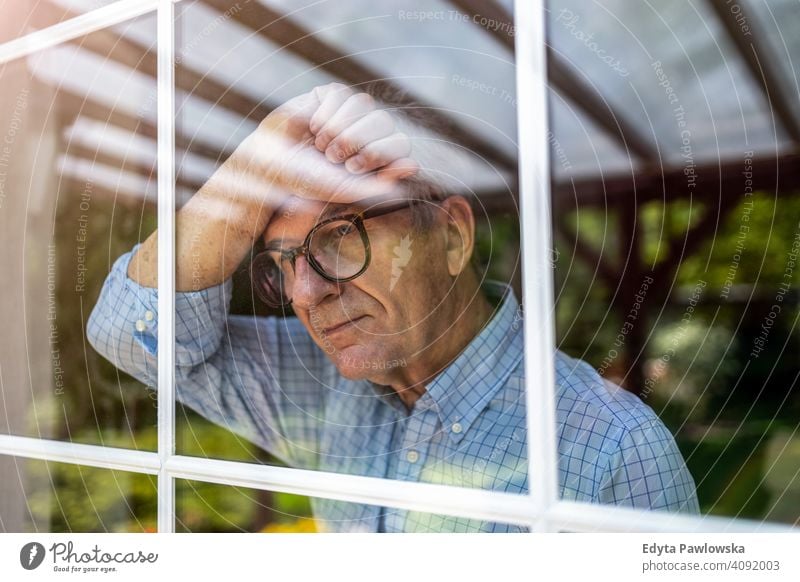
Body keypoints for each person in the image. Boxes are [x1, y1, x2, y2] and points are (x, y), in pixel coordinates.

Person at [87, 82, 700, 532]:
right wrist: (266, 148)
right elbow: (127, 331)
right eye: (281, 262)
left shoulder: (615, 451)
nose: (304, 294)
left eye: (339, 236)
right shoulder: (316, 383)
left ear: (454, 237)